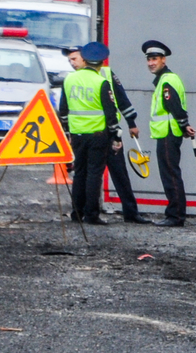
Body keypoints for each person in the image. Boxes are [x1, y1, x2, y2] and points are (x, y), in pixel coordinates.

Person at [64, 46, 152, 224]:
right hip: (101, 134)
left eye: (75, 59)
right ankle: (87, 213)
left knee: (117, 173)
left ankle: (130, 212)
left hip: (99, 133)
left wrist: (131, 123)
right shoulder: (74, 78)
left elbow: (121, 99)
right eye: (70, 60)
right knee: (91, 174)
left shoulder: (105, 74)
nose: (72, 63)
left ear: (85, 59)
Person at [57, 41, 121, 225]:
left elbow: (63, 109)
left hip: (77, 134)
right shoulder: (101, 82)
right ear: (100, 63)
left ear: (85, 60)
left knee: (80, 173)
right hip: (97, 135)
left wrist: (68, 131)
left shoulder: (69, 79)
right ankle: (91, 214)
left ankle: (76, 214)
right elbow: (110, 112)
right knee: (94, 174)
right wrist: (116, 136)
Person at [141, 39, 195, 227]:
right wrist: (184, 126)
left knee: (170, 175)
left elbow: (173, 105)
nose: (151, 63)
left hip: (168, 134)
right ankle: (175, 214)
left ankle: (175, 216)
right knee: (171, 173)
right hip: (169, 133)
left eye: (155, 59)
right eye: (149, 60)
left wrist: (183, 124)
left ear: (164, 59)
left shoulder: (167, 80)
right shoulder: (166, 79)